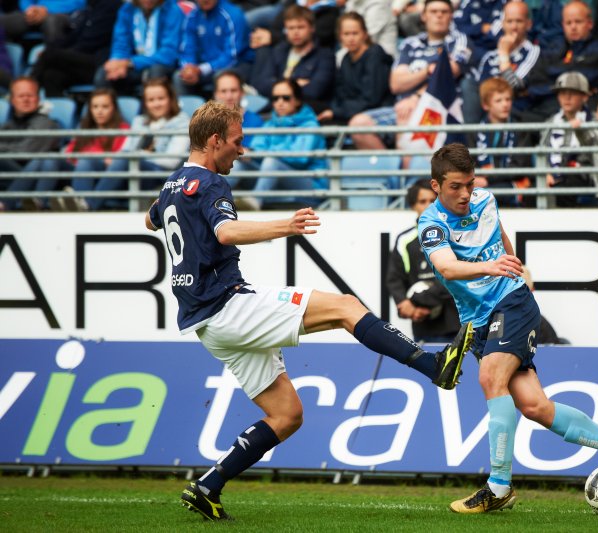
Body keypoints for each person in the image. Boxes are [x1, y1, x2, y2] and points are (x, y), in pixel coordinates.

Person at [143, 100, 474, 520]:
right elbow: (225, 232)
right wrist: (288, 225)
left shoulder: (173, 183)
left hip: (205, 323)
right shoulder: (210, 184)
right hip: (227, 305)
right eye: (236, 142)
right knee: (345, 307)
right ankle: (433, 366)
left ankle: (209, 485)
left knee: (287, 414)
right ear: (214, 141)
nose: (241, 151)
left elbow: (152, 221)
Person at [417, 143, 598, 514]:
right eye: (455, 187)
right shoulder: (430, 225)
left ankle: (498, 486)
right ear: (436, 186)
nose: (465, 194)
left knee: (491, 379)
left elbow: (501, 241)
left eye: (469, 184)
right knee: (534, 406)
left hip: (511, 302)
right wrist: (491, 266)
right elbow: (447, 268)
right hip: (479, 320)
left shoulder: (486, 200)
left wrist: (514, 270)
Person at [348, 0, 471, 150]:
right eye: (433, 12)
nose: (439, 16)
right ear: (423, 16)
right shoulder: (410, 43)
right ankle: (393, 170)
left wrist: (417, 97)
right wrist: (427, 70)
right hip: (402, 106)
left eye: (444, 12)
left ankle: (408, 172)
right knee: (359, 125)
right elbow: (396, 84)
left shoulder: (459, 41)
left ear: (451, 16)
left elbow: (447, 75)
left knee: (408, 121)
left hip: (438, 109)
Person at [67, 77, 190, 211]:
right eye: (151, 100)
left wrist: (136, 156)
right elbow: (125, 150)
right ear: (145, 103)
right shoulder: (139, 121)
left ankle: (88, 206)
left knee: (124, 160)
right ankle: (79, 201)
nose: (156, 104)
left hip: (162, 175)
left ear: (171, 99)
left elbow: (170, 162)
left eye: (161, 98)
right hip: (132, 167)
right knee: (87, 161)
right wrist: (117, 160)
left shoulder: (182, 122)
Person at [12, 88, 130, 211]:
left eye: (105, 107)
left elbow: (115, 161)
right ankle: (33, 201)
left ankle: (82, 204)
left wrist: (90, 158)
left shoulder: (123, 129)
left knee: (85, 162)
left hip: (101, 175)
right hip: (77, 170)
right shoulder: (84, 129)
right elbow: (69, 154)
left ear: (114, 108)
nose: (99, 111)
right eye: (95, 107)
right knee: (49, 158)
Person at [386, 181, 460, 343]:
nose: (428, 206)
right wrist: (407, 306)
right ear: (413, 205)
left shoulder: (455, 233)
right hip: (423, 325)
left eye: (432, 201)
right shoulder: (405, 239)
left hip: (457, 323)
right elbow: (394, 279)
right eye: (422, 201)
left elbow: (455, 276)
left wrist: (417, 301)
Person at [238, 78, 328, 209]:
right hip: (276, 179)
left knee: (271, 162)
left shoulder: (310, 125)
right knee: (238, 161)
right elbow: (257, 147)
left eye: (286, 98)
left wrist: (258, 153)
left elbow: (300, 158)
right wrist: (248, 153)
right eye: (275, 98)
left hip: (311, 185)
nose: (280, 102)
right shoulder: (270, 124)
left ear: (297, 100)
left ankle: (255, 201)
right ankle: (212, 199)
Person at [521, 0, 598, 122]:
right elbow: (535, 82)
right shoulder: (554, 47)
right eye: (568, 23)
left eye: (578, 22)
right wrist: (572, 68)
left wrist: (553, 73)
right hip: (549, 106)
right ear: (563, 25)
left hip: (587, 107)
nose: (573, 27)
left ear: (590, 23)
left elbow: (586, 77)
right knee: (524, 118)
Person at [247, 4, 336, 114]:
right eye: (291, 28)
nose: (295, 32)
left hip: (307, 113)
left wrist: (277, 83)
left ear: (312, 28)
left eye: (300, 27)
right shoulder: (279, 51)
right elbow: (262, 84)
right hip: (275, 111)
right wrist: (295, 84)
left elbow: (315, 91)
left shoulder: (325, 56)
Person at [29, 0, 121, 97]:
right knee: (51, 76)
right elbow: (73, 36)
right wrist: (55, 49)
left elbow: (91, 42)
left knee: (50, 55)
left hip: (100, 63)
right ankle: (55, 109)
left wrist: (60, 54)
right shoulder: (90, 7)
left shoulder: (111, 6)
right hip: (81, 61)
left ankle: (28, 89)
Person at [94, 0, 185, 96]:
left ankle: (152, 109)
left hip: (160, 64)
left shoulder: (173, 10)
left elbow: (168, 55)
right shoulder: (127, 9)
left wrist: (130, 63)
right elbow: (120, 44)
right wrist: (117, 63)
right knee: (104, 73)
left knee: (157, 71)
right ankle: (116, 109)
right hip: (133, 64)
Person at [316, 11, 393, 125]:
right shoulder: (345, 59)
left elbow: (372, 99)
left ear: (365, 34)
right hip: (351, 112)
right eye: (346, 34)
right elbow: (340, 94)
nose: (351, 38)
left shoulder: (375, 54)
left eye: (355, 33)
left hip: (375, 113)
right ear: (340, 36)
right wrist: (336, 110)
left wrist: (336, 112)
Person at [468, 77, 534, 207]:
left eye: (508, 99)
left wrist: (489, 179)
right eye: (498, 100)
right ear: (485, 105)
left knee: (486, 196)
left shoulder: (521, 129)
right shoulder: (474, 131)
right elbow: (470, 164)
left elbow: (520, 168)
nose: (505, 104)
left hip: (514, 185)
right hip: (481, 184)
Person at [0, 76, 60, 211]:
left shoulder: (46, 124)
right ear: (12, 100)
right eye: (21, 96)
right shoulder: (7, 126)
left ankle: (5, 204)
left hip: (36, 177)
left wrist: (3, 149)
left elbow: (27, 151)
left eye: (30, 95)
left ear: (38, 99)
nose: (26, 99)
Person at [173, 0, 252, 98]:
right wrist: (188, 68)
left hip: (237, 65)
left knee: (221, 77)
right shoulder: (192, 16)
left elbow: (232, 56)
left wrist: (201, 69)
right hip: (203, 68)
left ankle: (221, 113)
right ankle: (188, 112)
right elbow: (187, 49)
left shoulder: (233, 14)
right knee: (180, 77)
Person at [475, 0, 541, 115]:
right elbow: (483, 93)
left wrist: (504, 55)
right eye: (509, 21)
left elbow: (515, 86)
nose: (514, 27)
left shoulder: (533, 51)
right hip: (489, 117)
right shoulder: (489, 57)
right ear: (502, 24)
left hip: (518, 116)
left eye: (519, 21)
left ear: (528, 24)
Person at [540, 71, 594, 208]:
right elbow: (542, 152)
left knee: (564, 187)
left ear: (585, 97)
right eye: (562, 93)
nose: (567, 97)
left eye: (573, 93)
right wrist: (546, 172)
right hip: (552, 175)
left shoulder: (594, 121)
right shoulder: (550, 122)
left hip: (583, 175)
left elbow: (594, 156)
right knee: (532, 190)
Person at [212, 69, 263, 190]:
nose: (229, 96)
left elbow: (248, 156)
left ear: (242, 93)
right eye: (223, 91)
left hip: (247, 174)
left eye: (233, 90)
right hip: (217, 171)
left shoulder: (255, 120)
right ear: (216, 94)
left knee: (235, 165)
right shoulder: (208, 121)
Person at [0, 0, 86, 45]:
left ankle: (52, 63)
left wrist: (47, 10)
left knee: (52, 22)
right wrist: (29, 10)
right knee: (3, 22)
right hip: (35, 12)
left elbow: (81, 2)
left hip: (67, 14)